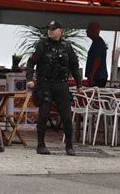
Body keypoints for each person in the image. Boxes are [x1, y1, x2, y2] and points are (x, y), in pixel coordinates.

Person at [26, 20, 82, 156]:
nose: (50, 31)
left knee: (66, 116)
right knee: (43, 115)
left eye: (54, 29)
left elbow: (74, 65)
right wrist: (29, 79)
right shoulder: (42, 45)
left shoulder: (67, 46)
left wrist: (79, 83)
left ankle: (69, 146)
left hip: (62, 85)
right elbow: (31, 62)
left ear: (61, 31)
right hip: (45, 83)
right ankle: (41, 145)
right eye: (49, 29)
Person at [85, 22, 108, 87]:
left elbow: (97, 60)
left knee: (95, 95)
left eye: (88, 29)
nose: (86, 31)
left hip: (98, 77)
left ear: (93, 30)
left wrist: (91, 77)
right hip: (98, 76)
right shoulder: (96, 42)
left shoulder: (98, 43)